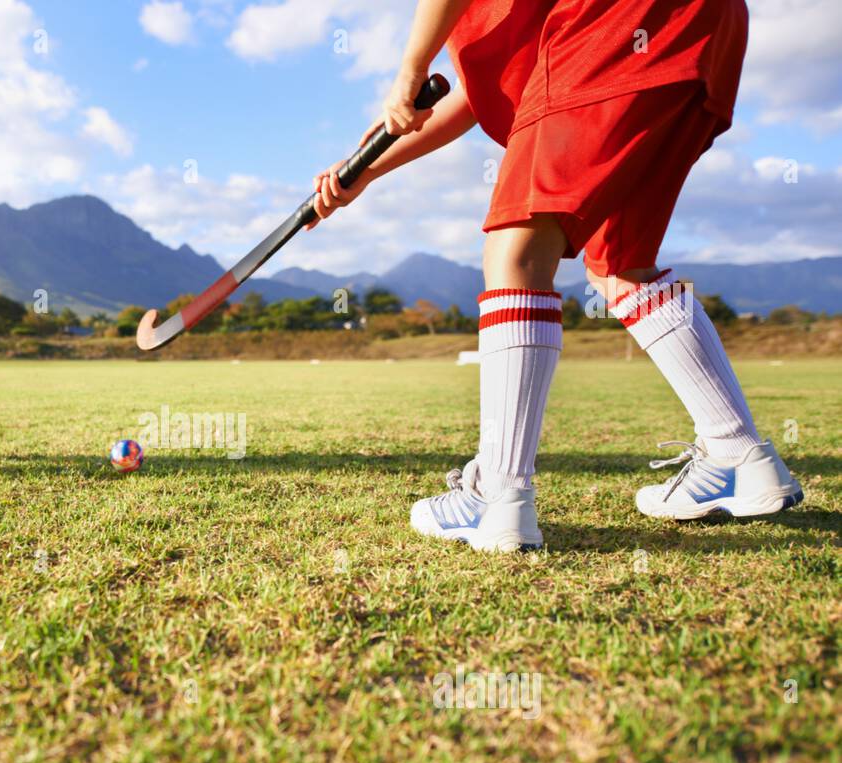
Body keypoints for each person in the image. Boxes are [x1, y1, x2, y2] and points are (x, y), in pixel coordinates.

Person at [309, 0, 802, 552]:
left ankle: (498, 493)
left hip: (613, 22)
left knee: (516, 251)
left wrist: (410, 67)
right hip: (702, 27)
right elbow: (474, 94)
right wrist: (366, 170)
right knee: (620, 264)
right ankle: (740, 455)